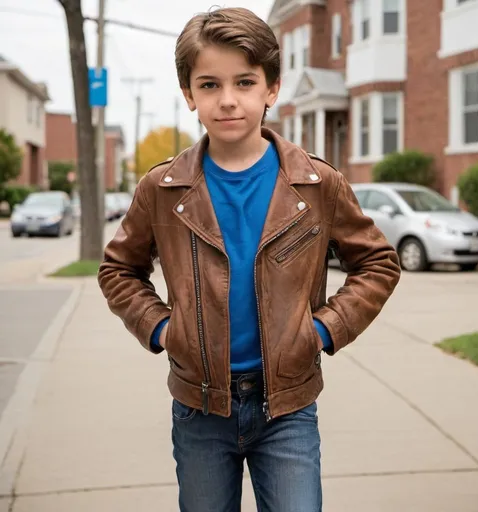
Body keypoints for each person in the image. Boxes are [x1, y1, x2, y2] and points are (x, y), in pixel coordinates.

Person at [98, 6, 401, 512]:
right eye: (210, 85)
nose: (229, 100)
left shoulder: (317, 184)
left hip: (288, 407)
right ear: (189, 94)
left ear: (272, 89)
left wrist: (322, 330)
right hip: (199, 407)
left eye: (244, 82)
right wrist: (161, 329)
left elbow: (378, 263)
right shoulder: (163, 188)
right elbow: (118, 269)